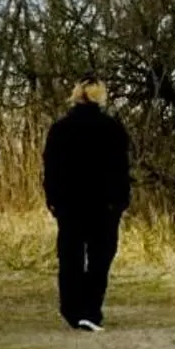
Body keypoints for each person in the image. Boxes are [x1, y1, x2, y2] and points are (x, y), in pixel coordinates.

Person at [42, 78, 132, 331]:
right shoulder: (112, 128)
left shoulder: (60, 129)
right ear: (100, 97)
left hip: (70, 205)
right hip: (104, 206)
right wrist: (121, 200)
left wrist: (53, 199)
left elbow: (51, 167)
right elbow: (121, 168)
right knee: (100, 258)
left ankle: (72, 307)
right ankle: (91, 309)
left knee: (70, 256)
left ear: (76, 96)